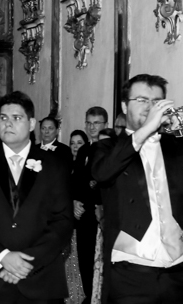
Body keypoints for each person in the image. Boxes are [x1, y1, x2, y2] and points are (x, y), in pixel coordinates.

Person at [92, 75, 183, 304]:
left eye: (156, 102)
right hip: (129, 276)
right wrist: (147, 128)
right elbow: (102, 173)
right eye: (142, 100)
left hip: (178, 274)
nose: (150, 107)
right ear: (124, 106)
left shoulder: (178, 145)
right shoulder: (107, 147)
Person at [0, 91, 74, 304]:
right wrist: (2, 257)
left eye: (16, 118)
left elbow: (63, 221)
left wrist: (26, 263)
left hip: (40, 279)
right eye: (3, 118)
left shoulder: (54, 165)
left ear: (31, 124)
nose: (8, 124)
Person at [73, 107, 107, 304]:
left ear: (105, 125)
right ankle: (88, 296)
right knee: (83, 259)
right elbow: (76, 180)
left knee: (97, 259)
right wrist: (74, 201)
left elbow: (102, 183)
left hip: (98, 213)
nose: (92, 127)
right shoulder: (83, 150)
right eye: (89, 123)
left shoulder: (108, 149)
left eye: (96, 123)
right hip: (81, 214)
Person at [64, 130, 90, 304]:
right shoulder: (64, 165)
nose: (75, 147)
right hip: (67, 218)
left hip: (82, 219)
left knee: (81, 261)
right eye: (72, 143)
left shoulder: (87, 165)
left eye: (79, 143)